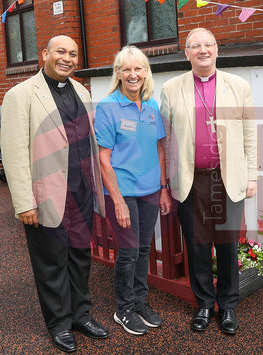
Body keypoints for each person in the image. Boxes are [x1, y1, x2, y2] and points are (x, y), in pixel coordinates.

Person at [0, 35, 108, 353]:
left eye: (73, 54)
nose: (67, 58)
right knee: (51, 263)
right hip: (46, 195)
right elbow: (15, 152)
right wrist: (24, 202)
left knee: (79, 257)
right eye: (61, 51)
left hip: (82, 192)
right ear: (45, 54)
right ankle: (59, 323)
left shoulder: (82, 91)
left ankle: (81, 314)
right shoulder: (20, 95)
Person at [160, 28, 257, 335]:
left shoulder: (238, 86)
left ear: (217, 50)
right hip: (191, 181)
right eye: (195, 46)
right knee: (198, 246)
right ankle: (204, 304)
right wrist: (166, 183)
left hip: (227, 180)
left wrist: (252, 176)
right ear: (186, 53)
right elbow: (166, 140)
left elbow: (250, 135)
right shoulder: (172, 88)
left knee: (227, 246)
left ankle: (228, 306)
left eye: (208, 45)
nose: (202, 50)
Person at [94, 45, 170, 336]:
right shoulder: (107, 106)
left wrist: (163, 188)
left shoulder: (151, 105)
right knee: (127, 252)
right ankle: (123, 309)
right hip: (122, 191)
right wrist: (117, 202)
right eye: (126, 69)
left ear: (146, 72)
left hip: (150, 190)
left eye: (138, 68)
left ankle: (140, 302)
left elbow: (160, 149)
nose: (133, 74)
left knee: (142, 249)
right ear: (118, 74)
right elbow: (104, 159)